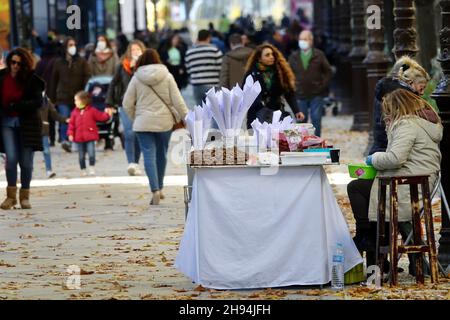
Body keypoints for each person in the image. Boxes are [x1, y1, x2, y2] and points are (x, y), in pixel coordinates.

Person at [348, 89, 442, 275]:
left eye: (388, 110)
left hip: (407, 187)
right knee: (372, 197)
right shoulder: (422, 124)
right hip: (416, 183)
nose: (385, 114)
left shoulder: (406, 125)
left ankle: (367, 239)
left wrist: (373, 158)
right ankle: (375, 255)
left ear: (396, 107)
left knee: (356, 187)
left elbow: (395, 158)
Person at [123, 49, 189, 206]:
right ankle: (160, 186)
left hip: (143, 122)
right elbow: (178, 101)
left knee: (148, 155)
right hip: (164, 122)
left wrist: (135, 117)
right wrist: (187, 118)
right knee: (161, 154)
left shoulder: (136, 78)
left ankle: (154, 190)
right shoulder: (167, 76)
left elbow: (126, 103)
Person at [0, 48, 45, 210]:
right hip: (7, 123)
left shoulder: (32, 80)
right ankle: (10, 197)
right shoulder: (2, 77)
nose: (15, 66)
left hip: (27, 124)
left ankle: (24, 196)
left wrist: (18, 106)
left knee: (26, 162)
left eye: (19, 63)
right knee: (11, 159)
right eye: (13, 62)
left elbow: (37, 102)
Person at [106, 40, 146, 176]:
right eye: (133, 50)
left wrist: (137, 68)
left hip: (142, 104)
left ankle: (136, 162)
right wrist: (109, 103)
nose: (135, 52)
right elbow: (113, 83)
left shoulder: (148, 66)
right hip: (125, 104)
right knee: (129, 133)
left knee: (139, 134)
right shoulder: (122, 66)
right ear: (129, 52)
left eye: (138, 49)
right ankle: (131, 163)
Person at [244, 44, 304, 128]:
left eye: (272, 54)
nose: (271, 57)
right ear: (259, 58)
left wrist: (296, 111)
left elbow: (289, 94)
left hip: (276, 114)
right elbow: (246, 95)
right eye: (267, 55)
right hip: (257, 116)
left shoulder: (280, 72)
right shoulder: (251, 74)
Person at [48, 37, 91, 153]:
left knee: (77, 119)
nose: (73, 47)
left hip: (78, 96)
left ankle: (75, 141)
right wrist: (51, 98)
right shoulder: (58, 62)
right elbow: (53, 80)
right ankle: (65, 140)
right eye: (70, 45)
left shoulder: (81, 61)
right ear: (65, 47)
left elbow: (87, 76)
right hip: (63, 96)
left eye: (74, 44)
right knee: (65, 117)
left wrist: (85, 92)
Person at [288, 30, 332, 137]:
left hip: (316, 94)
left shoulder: (319, 55)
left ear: (311, 41)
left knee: (316, 119)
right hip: (300, 94)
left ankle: (315, 142)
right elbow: (288, 73)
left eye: (305, 39)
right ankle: (301, 143)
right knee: (301, 122)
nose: (302, 41)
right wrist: (293, 86)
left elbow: (328, 71)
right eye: (301, 39)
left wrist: (322, 86)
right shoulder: (293, 57)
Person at [67, 91, 113, 177]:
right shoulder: (74, 112)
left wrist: (107, 114)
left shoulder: (92, 110)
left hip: (90, 136)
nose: (75, 102)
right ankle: (83, 169)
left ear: (84, 101)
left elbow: (101, 117)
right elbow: (71, 124)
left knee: (92, 153)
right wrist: (70, 134)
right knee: (81, 156)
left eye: (76, 100)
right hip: (79, 138)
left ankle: (91, 167)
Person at [185, 30, 223, 106]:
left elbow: (188, 70)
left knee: (201, 112)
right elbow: (220, 68)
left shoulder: (189, 52)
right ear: (208, 38)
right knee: (214, 111)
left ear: (198, 38)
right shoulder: (215, 51)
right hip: (213, 85)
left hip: (197, 86)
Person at [40, 95, 69, 178]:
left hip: (43, 129)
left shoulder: (46, 100)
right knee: (29, 153)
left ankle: (49, 170)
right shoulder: (29, 97)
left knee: (46, 151)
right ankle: (27, 170)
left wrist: (65, 120)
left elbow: (54, 114)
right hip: (31, 129)